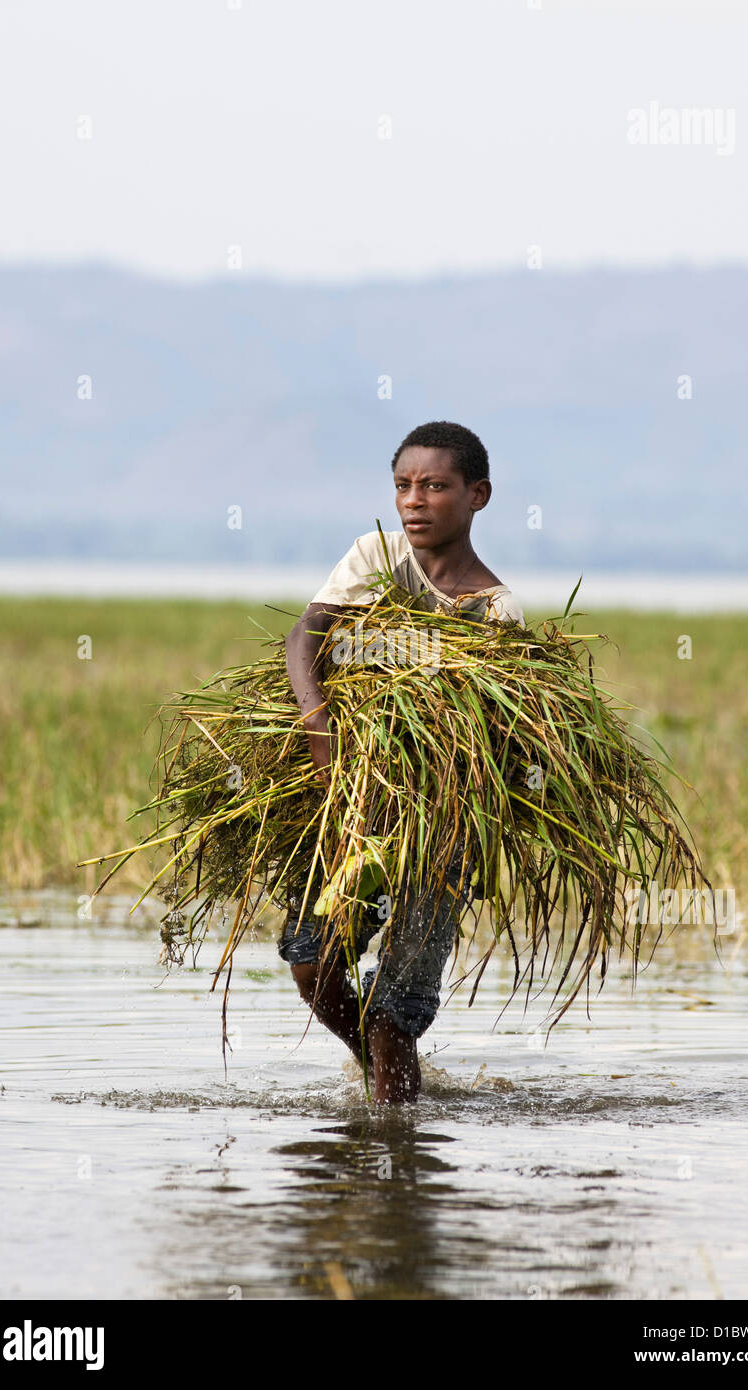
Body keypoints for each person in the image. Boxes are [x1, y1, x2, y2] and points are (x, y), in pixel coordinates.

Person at [281, 420, 525, 1103]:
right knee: (309, 961)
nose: (414, 501)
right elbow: (308, 633)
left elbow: (496, 735)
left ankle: (395, 1134)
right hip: (353, 811)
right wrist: (317, 719)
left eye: (436, 486)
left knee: (399, 1006)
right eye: (403, 486)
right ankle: (396, 1086)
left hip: (443, 831)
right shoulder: (378, 556)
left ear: (478, 496)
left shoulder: (495, 610)